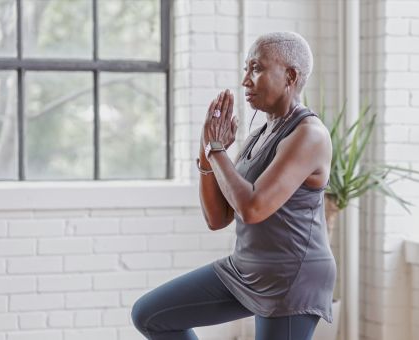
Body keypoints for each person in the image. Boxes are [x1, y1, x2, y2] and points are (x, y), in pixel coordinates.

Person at [131, 31, 336, 340]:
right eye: (246, 69)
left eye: (257, 68)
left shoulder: (309, 134)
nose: (245, 81)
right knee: (150, 315)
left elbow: (253, 207)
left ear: (290, 75)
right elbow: (218, 217)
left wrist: (216, 149)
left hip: (290, 278)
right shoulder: (259, 134)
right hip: (246, 269)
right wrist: (207, 151)